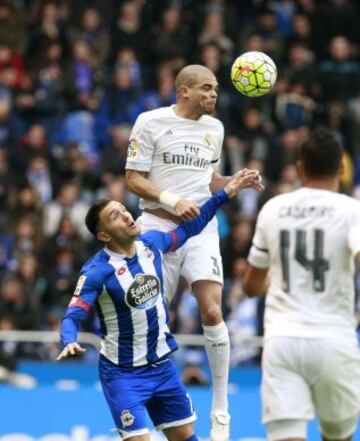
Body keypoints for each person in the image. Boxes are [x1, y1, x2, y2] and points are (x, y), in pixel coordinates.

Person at [57, 170, 263, 441]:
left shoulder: (150, 244)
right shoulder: (96, 271)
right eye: (115, 216)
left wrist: (226, 193)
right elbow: (73, 314)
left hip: (162, 365)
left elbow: (190, 227)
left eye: (123, 209)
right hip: (123, 375)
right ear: (104, 236)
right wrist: (68, 339)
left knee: (185, 436)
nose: (127, 215)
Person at [125, 64, 243, 440]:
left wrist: (234, 183)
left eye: (216, 89)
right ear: (183, 91)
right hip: (157, 227)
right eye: (206, 89)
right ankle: (152, 398)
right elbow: (133, 178)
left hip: (201, 229)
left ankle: (220, 407)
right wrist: (172, 200)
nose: (213, 95)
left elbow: (208, 181)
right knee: (153, 317)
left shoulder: (215, 128)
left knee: (211, 308)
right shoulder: (150, 121)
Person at [243, 128, 360, 441]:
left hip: (283, 338)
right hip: (334, 339)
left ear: (299, 168)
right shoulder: (352, 211)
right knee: (339, 436)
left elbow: (251, 286)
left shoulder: (273, 209)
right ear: (341, 168)